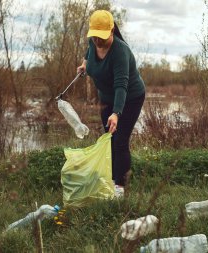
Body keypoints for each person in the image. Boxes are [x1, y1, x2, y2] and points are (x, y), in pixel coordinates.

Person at [77, 10, 145, 198]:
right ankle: (113, 176)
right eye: (95, 36)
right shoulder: (93, 42)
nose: (97, 40)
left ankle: (120, 186)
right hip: (106, 98)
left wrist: (116, 113)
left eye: (101, 36)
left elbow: (121, 85)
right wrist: (84, 65)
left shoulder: (120, 52)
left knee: (120, 140)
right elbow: (89, 51)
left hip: (129, 98)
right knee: (108, 139)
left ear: (112, 30)